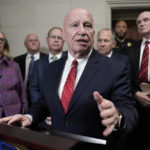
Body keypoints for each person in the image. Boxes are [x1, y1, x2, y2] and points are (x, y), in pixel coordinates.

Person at [0, 8, 138, 150]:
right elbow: (45, 102)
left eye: (87, 25)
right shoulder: (51, 69)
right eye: (74, 25)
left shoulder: (115, 67)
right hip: (56, 145)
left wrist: (118, 118)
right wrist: (29, 116)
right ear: (64, 34)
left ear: (92, 33)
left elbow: (128, 108)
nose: (82, 31)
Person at [29, 27, 65, 127]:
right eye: (53, 37)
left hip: (65, 117)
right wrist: (43, 112)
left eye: (59, 38)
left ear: (64, 41)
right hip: (43, 119)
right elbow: (33, 89)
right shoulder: (38, 64)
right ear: (47, 40)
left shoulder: (70, 61)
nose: (56, 40)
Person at [126, 11, 150, 150]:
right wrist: (135, 93)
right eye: (138, 22)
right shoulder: (131, 49)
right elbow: (125, 78)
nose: (141, 23)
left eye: (145, 20)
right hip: (136, 105)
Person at [0, 31, 28, 118]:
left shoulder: (13, 65)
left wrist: (25, 112)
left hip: (13, 115)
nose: (0, 42)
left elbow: (22, 91)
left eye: (2, 40)